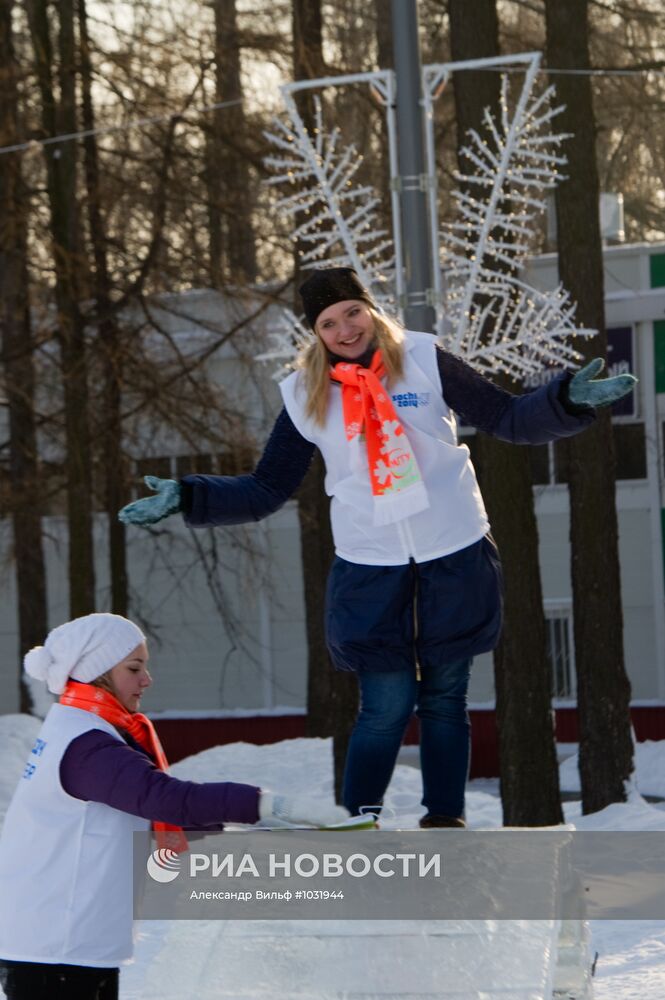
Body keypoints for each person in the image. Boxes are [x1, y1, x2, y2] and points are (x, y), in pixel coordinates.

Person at [118, 267, 636, 830]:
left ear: (370, 309)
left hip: (453, 549)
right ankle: (358, 823)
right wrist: (190, 496)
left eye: (352, 313)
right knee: (386, 705)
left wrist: (565, 401)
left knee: (445, 698)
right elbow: (267, 487)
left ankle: (445, 822)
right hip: (371, 564)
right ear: (316, 333)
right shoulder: (305, 393)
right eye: (328, 323)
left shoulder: (423, 359)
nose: (345, 329)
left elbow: (506, 417)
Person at [0, 613, 348, 1000]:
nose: (147, 680)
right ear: (97, 673)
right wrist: (271, 805)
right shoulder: (88, 746)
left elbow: (145, 814)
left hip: (61, 940)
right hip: (57, 948)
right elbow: (169, 800)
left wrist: (268, 828)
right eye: (134, 668)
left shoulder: (80, 729)